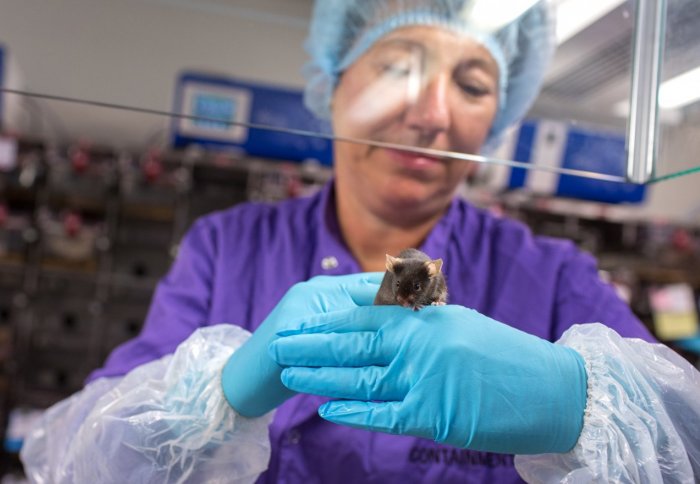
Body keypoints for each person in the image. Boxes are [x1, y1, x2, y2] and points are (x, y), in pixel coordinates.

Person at [21, 0, 700, 482]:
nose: (432, 115)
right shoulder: (225, 250)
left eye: (471, 84)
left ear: (499, 117)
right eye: (399, 68)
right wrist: (210, 399)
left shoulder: (551, 279)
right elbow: (77, 460)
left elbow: (686, 443)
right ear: (333, 84)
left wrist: (573, 403)